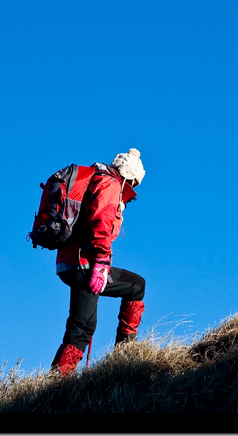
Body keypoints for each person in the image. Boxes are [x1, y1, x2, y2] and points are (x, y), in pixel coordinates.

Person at [50, 148, 147, 376]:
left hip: (70, 262)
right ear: (128, 178)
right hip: (86, 264)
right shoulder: (110, 184)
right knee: (83, 325)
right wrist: (102, 264)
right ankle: (125, 357)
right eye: (132, 188)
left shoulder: (96, 179)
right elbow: (101, 223)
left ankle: (57, 379)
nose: (130, 196)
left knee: (81, 324)